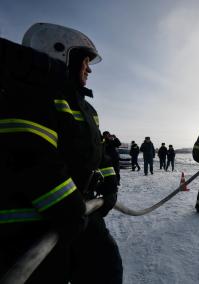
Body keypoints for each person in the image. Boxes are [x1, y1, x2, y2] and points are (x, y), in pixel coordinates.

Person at [0, 23, 122, 283]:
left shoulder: (85, 109)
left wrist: (110, 182)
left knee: (105, 268)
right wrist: (66, 206)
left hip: (77, 214)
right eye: (85, 61)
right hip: (30, 225)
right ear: (62, 53)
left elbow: (95, 153)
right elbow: (30, 155)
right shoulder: (28, 95)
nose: (89, 69)